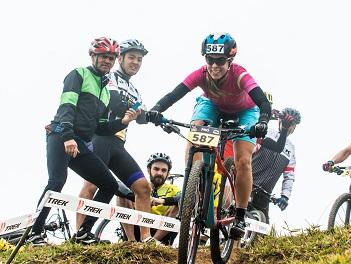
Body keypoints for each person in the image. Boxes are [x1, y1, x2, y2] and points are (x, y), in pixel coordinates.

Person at [146, 33, 272, 239]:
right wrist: (155, 110)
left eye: (220, 61)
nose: (214, 65)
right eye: (210, 60)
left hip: (245, 112)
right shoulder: (201, 74)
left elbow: (263, 102)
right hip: (212, 105)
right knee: (195, 132)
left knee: (243, 161)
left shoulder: (240, 74)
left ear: (230, 61)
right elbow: (174, 94)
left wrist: (263, 122)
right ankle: (192, 191)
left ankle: (239, 215)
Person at [27, 37, 138, 246]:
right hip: (61, 134)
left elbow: (102, 127)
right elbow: (66, 106)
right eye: (103, 56)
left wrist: (123, 122)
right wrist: (68, 137)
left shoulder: (105, 90)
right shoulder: (79, 74)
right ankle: (35, 233)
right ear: (93, 56)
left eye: (111, 58)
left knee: (109, 184)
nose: (107, 61)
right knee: (57, 181)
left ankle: (84, 232)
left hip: (80, 142)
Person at [76, 39, 152, 242]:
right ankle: (80, 233)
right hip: (100, 136)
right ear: (120, 58)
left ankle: (145, 238)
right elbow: (116, 102)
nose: (136, 62)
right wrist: (138, 111)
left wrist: (155, 116)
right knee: (91, 184)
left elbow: (142, 118)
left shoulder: (135, 90)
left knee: (143, 188)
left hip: (118, 144)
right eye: (131, 57)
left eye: (139, 59)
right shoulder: (108, 76)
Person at [251, 107, 301, 221]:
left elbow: (289, 176)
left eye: (292, 124)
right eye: (286, 122)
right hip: (248, 184)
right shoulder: (267, 133)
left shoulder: (291, 149)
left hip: (265, 194)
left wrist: (285, 196)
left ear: (294, 128)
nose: (289, 126)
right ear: (279, 121)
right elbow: (250, 151)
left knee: (262, 233)